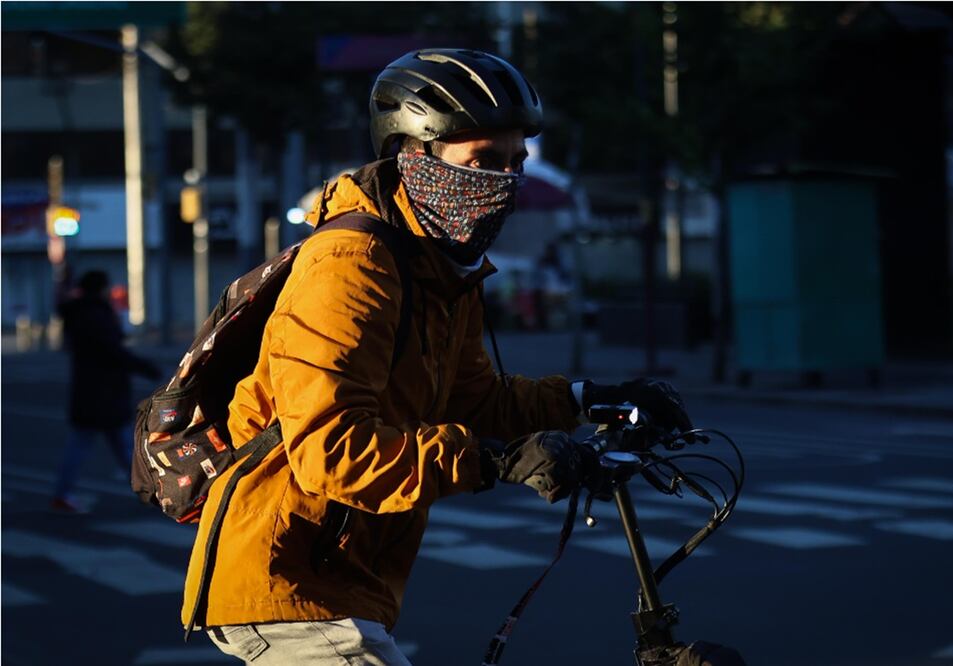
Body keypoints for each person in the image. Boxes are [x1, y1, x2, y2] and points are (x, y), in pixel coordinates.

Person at [185, 49, 693, 665]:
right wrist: (494, 462)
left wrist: (592, 399)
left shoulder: (440, 267)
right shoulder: (351, 264)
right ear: (413, 157)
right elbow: (329, 450)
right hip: (288, 580)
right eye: (483, 162)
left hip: (341, 582)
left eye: (515, 162)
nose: (505, 181)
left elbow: (474, 399)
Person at [51, 270, 159, 513]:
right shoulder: (96, 314)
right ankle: (148, 491)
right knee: (121, 447)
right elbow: (113, 351)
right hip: (105, 391)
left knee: (92, 445)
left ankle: (62, 493)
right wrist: (145, 367)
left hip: (88, 390)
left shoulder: (78, 311)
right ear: (101, 288)